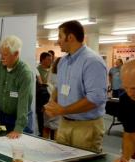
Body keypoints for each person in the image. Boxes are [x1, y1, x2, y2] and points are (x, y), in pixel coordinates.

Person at [44, 20, 107, 152]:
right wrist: (51, 104)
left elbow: (95, 99)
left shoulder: (92, 61)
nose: (58, 41)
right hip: (64, 123)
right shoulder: (63, 62)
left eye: (60, 37)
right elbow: (58, 87)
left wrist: (63, 110)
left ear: (70, 37)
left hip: (87, 127)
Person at [36, 52, 52, 136]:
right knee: (42, 122)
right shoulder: (37, 70)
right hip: (42, 100)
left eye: (51, 59)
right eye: (48, 59)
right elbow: (41, 84)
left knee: (51, 123)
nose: (51, 61)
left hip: (51, 99)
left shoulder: (52, 70)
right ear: (42, 60)